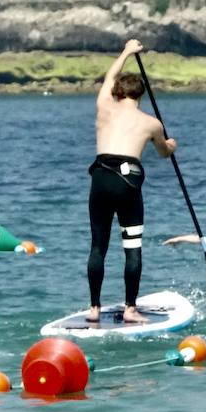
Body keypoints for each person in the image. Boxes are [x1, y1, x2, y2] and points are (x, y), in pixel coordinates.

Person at [86, 39, 176, 324]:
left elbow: (109, 77)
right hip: (128, 183)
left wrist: (126, 51)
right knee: (132, 247)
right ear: (141, 95)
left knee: (98, 246)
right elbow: (163, 153)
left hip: (101, 178)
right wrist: (170, 145)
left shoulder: (104, 106)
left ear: (116, 92)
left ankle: (94, 309)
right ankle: (130, 309)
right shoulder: (152, 123)